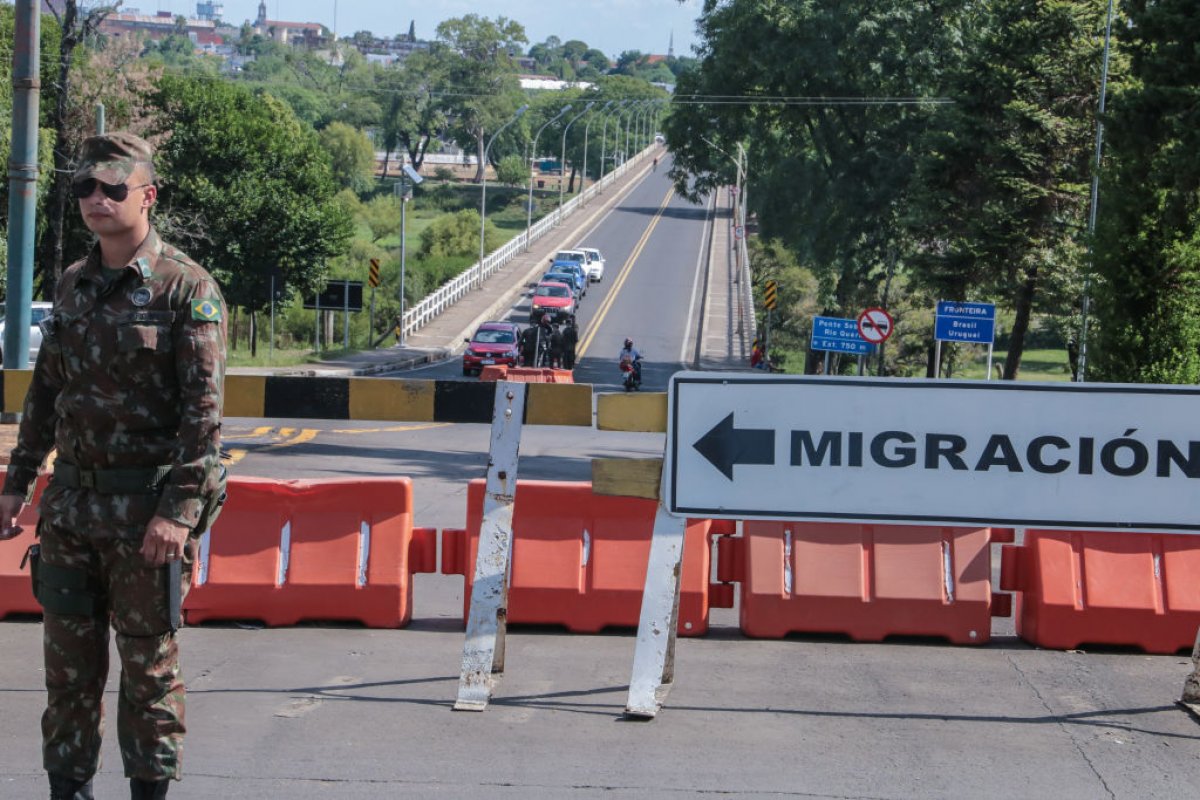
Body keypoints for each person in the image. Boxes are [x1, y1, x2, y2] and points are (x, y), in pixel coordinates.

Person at [0, 132, 227, 800]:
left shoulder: (187, 289)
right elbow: (45, 394)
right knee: (67, 676)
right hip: (71, 515)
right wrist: (16, 485)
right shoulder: (73, 283)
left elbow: (204, 419)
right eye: (84, 189)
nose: (97, 200)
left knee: (148, 673)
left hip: (144, 524)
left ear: (147, 196)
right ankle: (67, 791)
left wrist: (178, 517)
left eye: (113, 188)